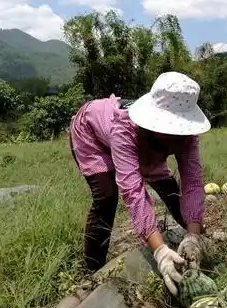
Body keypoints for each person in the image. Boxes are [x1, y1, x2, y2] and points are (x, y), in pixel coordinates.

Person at [67, 72, 211, 295]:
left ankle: (193, 241)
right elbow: (134, 192)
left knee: (169, 189)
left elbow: (192, 182)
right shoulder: (125, 127)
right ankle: (92, 271)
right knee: (106, 196)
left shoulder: (187, 137)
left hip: (146, 145)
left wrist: (194, 235)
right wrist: (160, 252)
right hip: (92, 135)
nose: (175, 137)